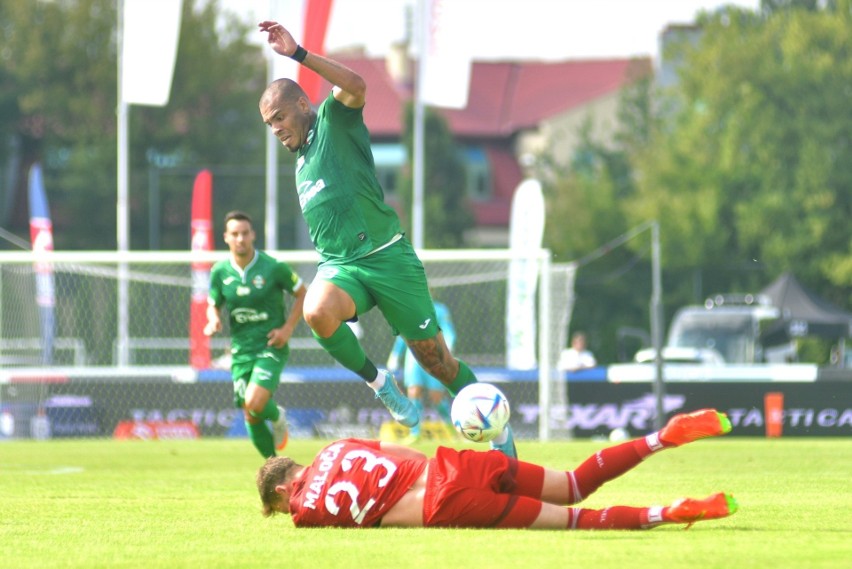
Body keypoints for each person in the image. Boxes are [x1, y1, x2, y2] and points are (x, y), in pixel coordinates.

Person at [256, 20, 517, 457]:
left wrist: (299, 53)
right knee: (317, 311)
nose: (276, 128)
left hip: (388, 258)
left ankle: (504, 445)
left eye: (280, 117)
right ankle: (383, 385)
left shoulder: (331, 121)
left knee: (437, 362)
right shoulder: (300, 161)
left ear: (302, 104)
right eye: (269, 124)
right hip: (342, 266)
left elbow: (356, 85)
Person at [256, 408, 737, 529]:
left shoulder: (304, 510)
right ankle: (661, 437)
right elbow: (400, 452)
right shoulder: (338, 445)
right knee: (573, 484)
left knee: (574, 521)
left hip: (446, 502)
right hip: (457, 463)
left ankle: (669, 513)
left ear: (281, 494)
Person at [204, 211, 308, 458]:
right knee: (250, 412)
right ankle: (274, 466)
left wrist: (287, 329)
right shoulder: (219, 272)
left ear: (253, 235)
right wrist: (214, 319)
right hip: (240, 350)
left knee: (255, 402)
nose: (240, 239)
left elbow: (303, 294)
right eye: (234, 234)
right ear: (226, 238)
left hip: (270, 345)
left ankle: (278, 416)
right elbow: (213, 303)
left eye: (244, 233)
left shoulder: (273, 268)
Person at [387, 298, 456, 442]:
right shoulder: (409, 309)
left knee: (436, 396)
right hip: (413, 355)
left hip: (434, 355)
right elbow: (402, 334)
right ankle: (415, 433)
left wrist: (447, 347)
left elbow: (448, 331)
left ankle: (453, 429)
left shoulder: (440, 309)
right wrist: (395, 354)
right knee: (414, 391)